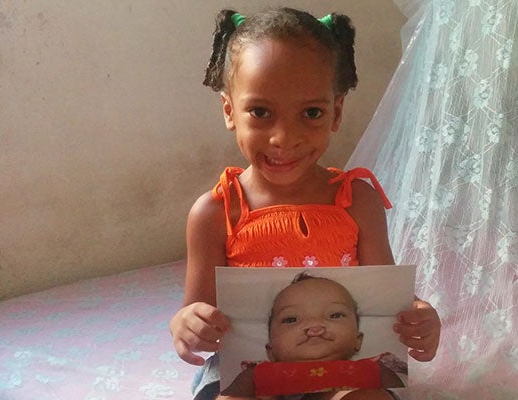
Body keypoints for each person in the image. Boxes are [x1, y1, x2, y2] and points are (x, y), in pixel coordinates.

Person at [168, 7, 441, 400]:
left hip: (341, 366)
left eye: (311, 113)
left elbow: (384, 295)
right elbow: (195, 311)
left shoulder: (358, 201)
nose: (285, 138)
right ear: (229, 110)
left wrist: (419, 316)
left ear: (337, 111)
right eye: (260, 112)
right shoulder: (214, 212)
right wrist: (186, 325)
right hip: (251, 372)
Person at [220, 273, 407, 399]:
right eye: (291, 319)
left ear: (357, 340)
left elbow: (398, 395)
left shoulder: (373, 368)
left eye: (335, 315)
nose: (314, 326)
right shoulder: (256, 373)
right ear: (271, 350)